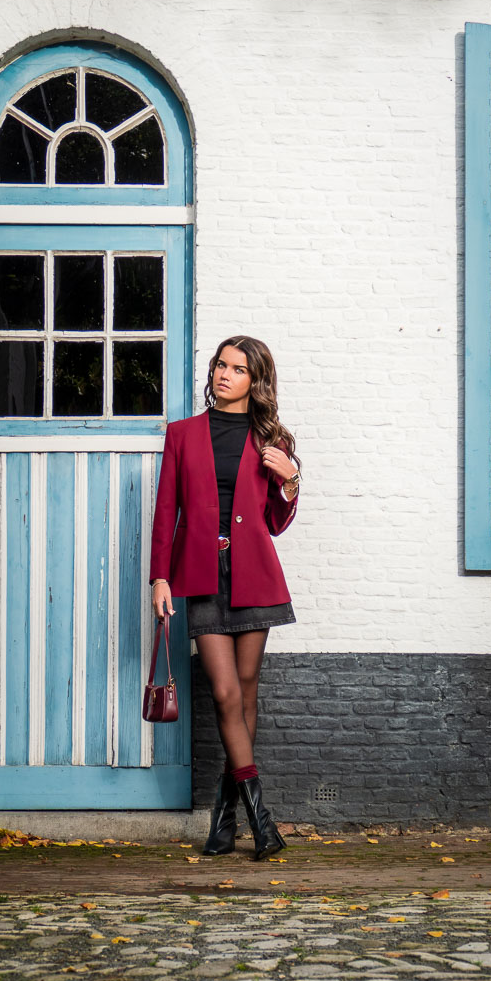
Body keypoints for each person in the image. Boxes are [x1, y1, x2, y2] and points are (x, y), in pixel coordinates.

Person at [150, 336, 300, 860]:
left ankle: (224, 817)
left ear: (255, 380)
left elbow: (274, 523)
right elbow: (166, 510)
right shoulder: (183, 434)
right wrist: (160, 578)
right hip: (201, 574)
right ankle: (263, 821)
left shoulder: (272, 438)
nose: (224, 374)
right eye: (220, 365)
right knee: (225, 692)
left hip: (253, 573)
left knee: (247, 692)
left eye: (237, 368)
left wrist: (291, 480)